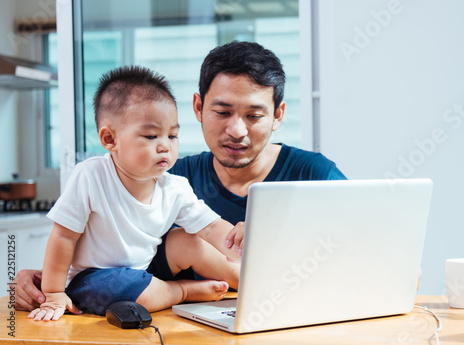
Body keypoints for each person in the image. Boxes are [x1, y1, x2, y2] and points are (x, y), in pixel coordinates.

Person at [12, 41, 347, 312]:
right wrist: (42, 283)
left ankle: (254, 282)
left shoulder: (314, 175)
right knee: (184, 242)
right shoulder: (166, 173)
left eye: (254, 115)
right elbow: (77, 245)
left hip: (283, 312)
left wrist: (256, 243)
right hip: (168, 317)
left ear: (277, 115)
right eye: (222, 111)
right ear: (199, 108)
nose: (236, 130)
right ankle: (194, 290)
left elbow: (364, 251)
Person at [26, 65, 243, 321]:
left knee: (190, 240)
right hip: (96, 278)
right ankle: (182, 292)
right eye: (151, 135)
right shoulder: (90, 176)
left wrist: (239, 241)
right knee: (131, 292)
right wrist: (53, 292)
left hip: (146, 269)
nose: (165, 145)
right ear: (110, 140)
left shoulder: (175, 187)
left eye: (172, 135)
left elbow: (210, 228)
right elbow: (63, 237)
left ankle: (249, 281)